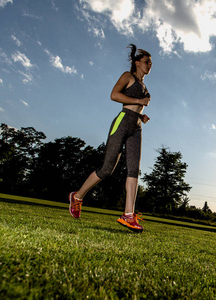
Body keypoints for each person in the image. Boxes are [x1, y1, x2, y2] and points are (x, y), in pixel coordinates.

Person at [69, 44, 152, 232]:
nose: (149, 65)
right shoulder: (127, 76)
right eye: (147, 62)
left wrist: (141, 115)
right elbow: (114, 95)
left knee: (134, 170)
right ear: (137, 63)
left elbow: (136, 108)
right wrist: (139, 102)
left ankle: (128, 215)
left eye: (151, 63)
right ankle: (77, 196)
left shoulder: (145, 86)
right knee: (107, 169)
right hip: (122, 122)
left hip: (136, 128)